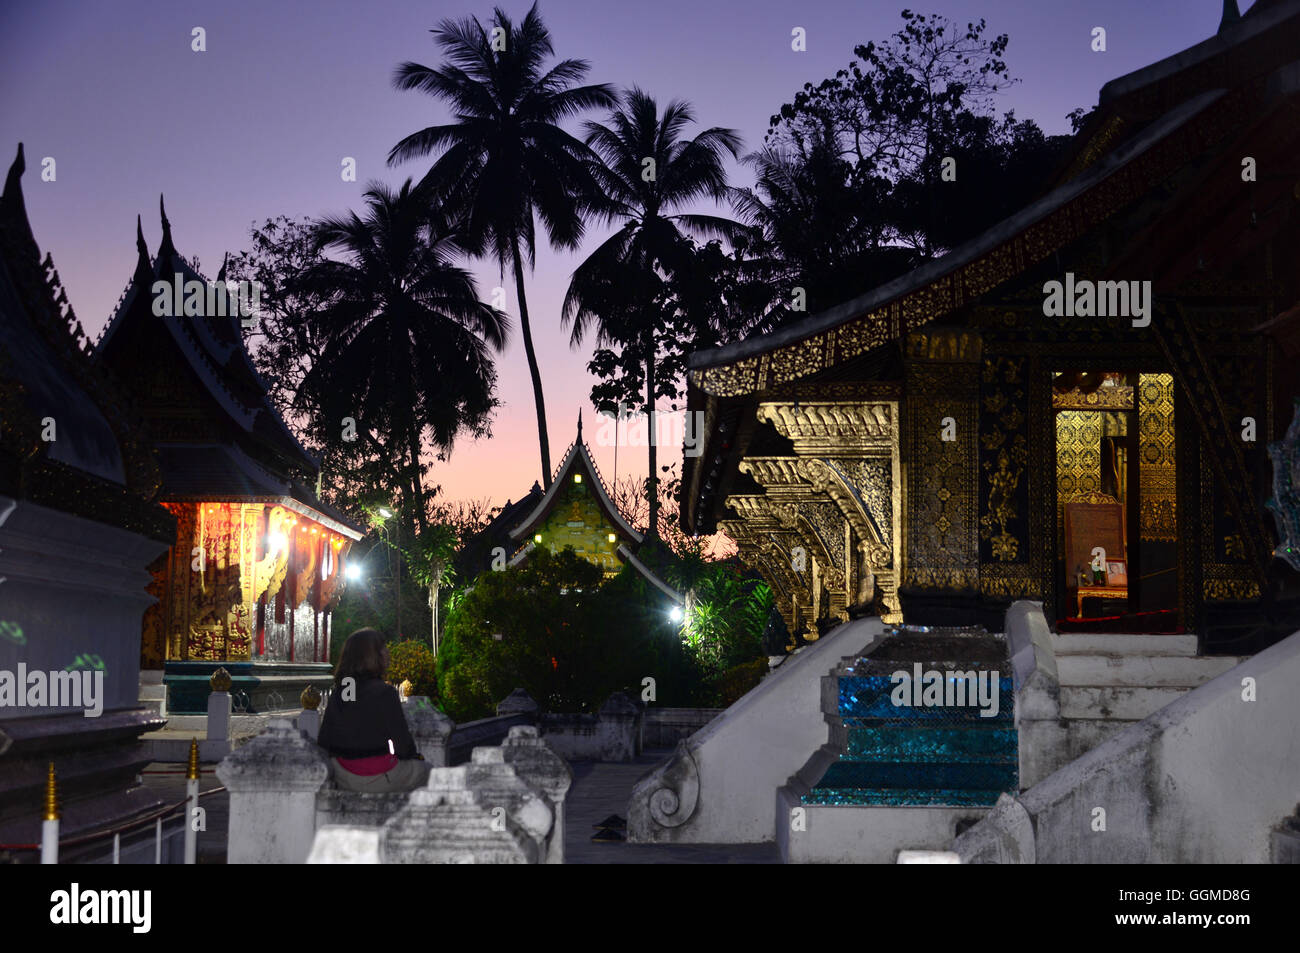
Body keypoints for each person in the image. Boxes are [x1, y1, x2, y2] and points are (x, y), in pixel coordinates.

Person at [318, 628, 431, 793]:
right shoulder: (384, 692)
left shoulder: (343, 690)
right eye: (383, 648)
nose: (388, 653)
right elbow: (403, 747)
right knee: (430, 773)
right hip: (378, 775)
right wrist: (415, 759)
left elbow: (324, 740)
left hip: (342, 774)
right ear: (372, 656)